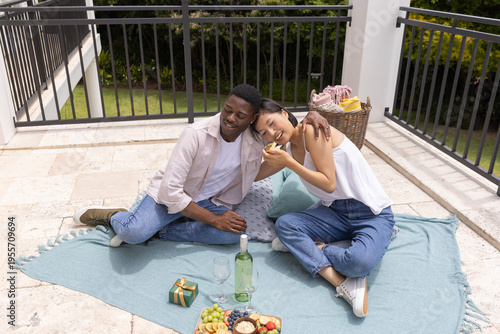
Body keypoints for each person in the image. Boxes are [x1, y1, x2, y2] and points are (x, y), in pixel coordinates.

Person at [73, 85, 330, 247]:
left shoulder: (255, 138)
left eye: (240, 116)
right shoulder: (195, 134)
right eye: (227, 110)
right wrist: (213, 220)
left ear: (251, 120)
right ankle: (115, 217)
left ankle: (157, 232)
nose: (230, 118)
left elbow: (286, 141)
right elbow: (169, 192)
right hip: (171, 197)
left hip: (214, 200)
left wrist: (311, 117)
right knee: (132, 232)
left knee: (234, 235)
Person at [252, 98, 395, 318]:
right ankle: (341, 282)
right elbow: (252, 175)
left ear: (283, 113)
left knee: (357, 263)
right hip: (335, 211)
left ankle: (311, 248)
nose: (271, 133)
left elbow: (329, 183)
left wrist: (290, 164)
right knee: (285, 225)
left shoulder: (312, 130)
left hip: (371, 213)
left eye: (272, 123)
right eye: (263, 133)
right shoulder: (286, 149)